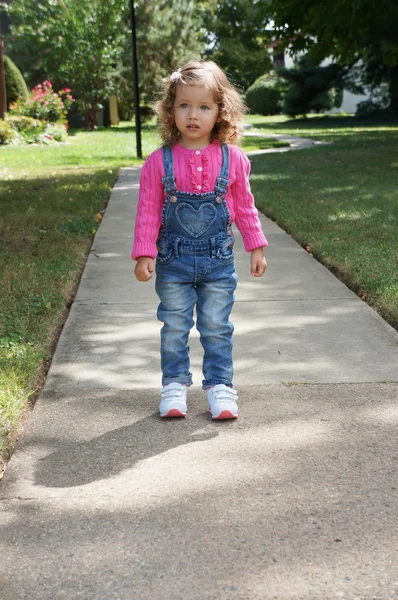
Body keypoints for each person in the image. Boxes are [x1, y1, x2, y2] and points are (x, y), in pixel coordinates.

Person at [132, 60, 268, 420]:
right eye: (184, 105)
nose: (193, 115)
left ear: (220, 112)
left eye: (204, 106)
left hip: (218, 264)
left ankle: (220, 387)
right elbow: (148, 210)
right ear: (171, 109)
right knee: (175, 326)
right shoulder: (158, 162)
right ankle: (174, 385)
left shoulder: (233, 159)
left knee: (216, 326)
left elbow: (244, 207)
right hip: (172, 264)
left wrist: (256, 245)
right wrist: (144, 252)